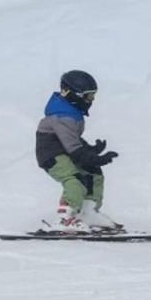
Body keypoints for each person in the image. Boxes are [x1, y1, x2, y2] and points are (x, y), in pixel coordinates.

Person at [34, 70, 120, 231]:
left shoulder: (71, 113)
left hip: (65, 152)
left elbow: (72, 140)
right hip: (51, 155)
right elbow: (72, 147)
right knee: (75, 180)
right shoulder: (61, 116)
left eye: (93, 95)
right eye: (88, 96)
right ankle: (65, 218)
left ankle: (88, 212)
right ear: (73, 95)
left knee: (93, 173)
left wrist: (92, 150)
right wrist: (94, 157)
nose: (92, 100)